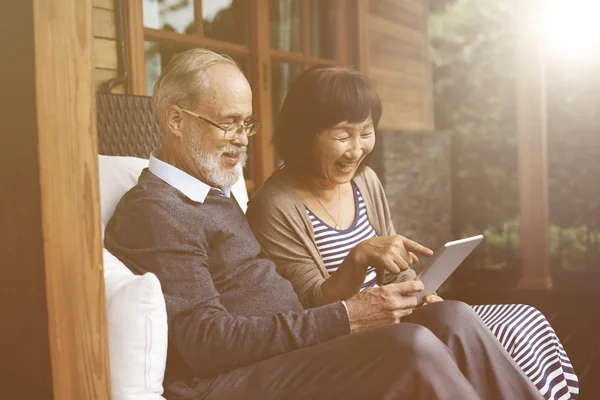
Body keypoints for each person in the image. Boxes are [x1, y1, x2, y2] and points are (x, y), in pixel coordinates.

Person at [105, 48, 545, 400]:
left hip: (292, 350)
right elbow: (205, 343)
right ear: (175, 120)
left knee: (452, 318)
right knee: (410, 348)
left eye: (247, 124)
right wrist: (345, 317)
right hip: (229, 382)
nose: (242, 139)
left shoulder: (213, 195)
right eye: (228, 124)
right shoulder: (155, 210)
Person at [246, 65, 579, 400]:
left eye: (366, 132)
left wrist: (421, 291)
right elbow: (314, 304)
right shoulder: (275, 204)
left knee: (456, 312)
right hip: (344, 336)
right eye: (343, 135)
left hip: (392, 315)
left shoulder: (365, 180)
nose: (357, 149)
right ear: (304, 134)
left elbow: (393, 269)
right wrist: (359, 258)